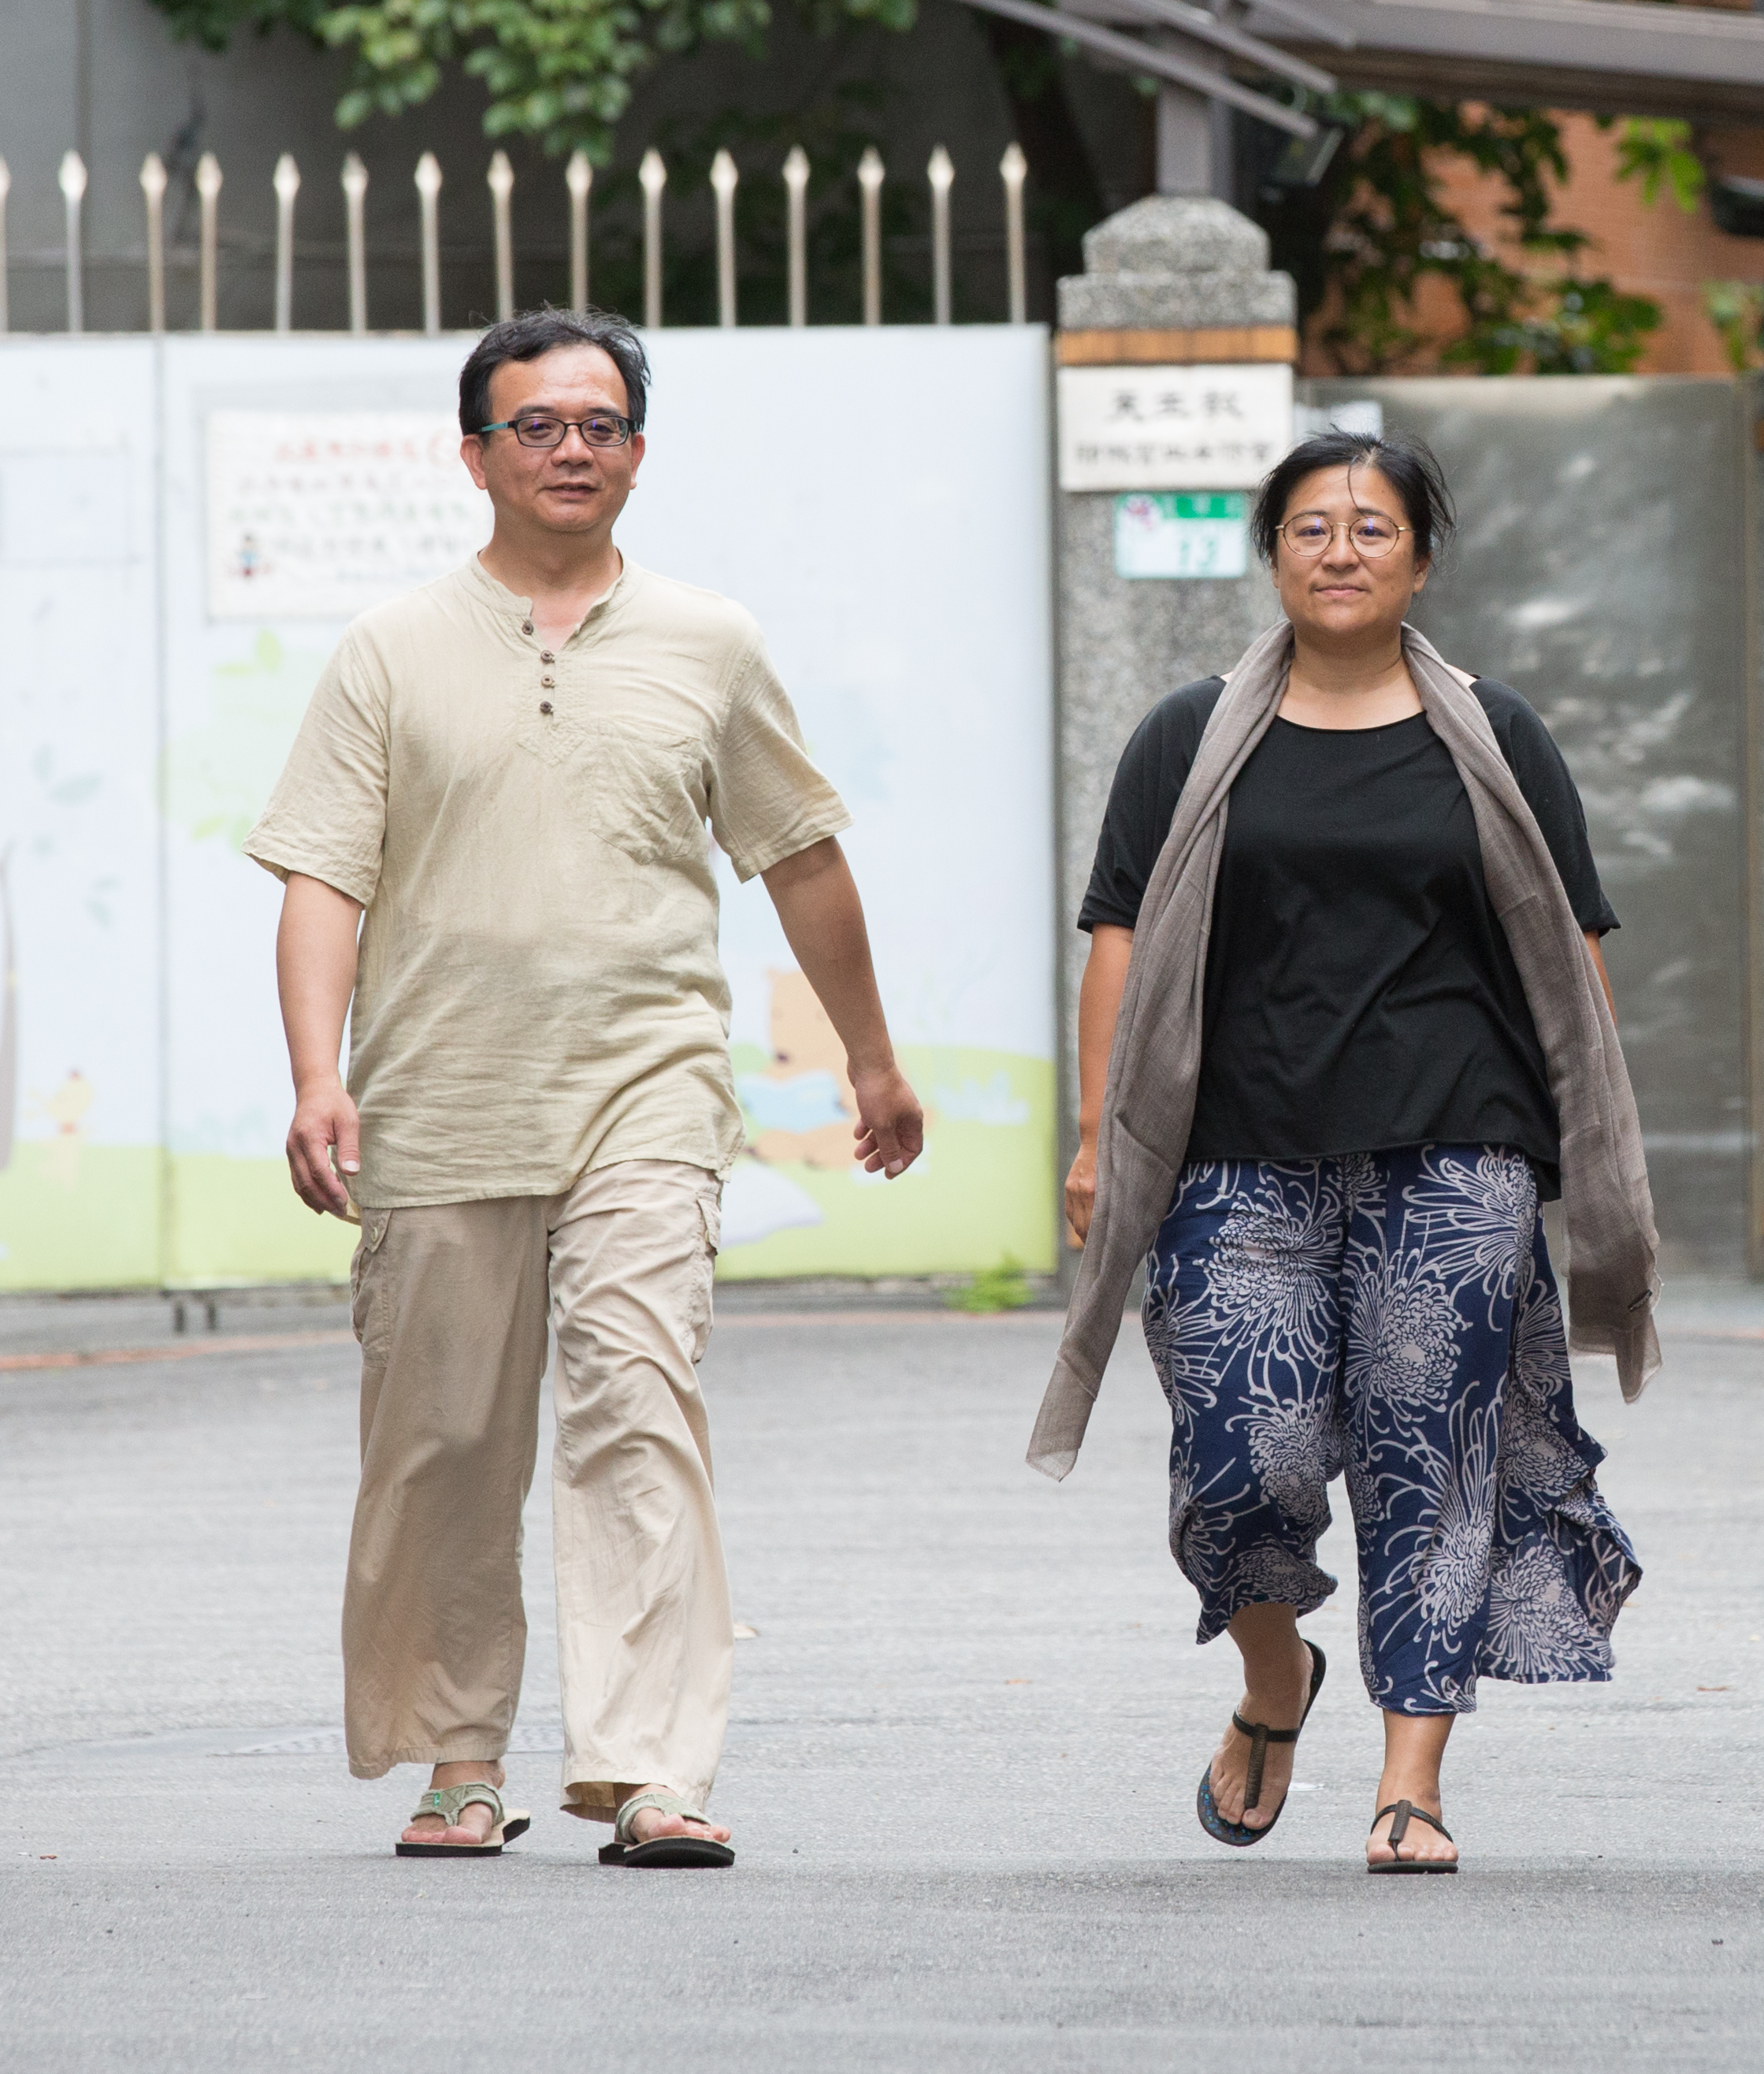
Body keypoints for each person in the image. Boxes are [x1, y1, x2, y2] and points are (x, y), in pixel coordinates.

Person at [248, 307, 925, 1868]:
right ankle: (458, 1752)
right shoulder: (389, 648)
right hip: (437, 1095)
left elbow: (800, 857)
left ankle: (650, 1761)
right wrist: (313, 1074)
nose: (572, 447)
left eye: (601, 423)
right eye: (538, 424)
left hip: (651, 1086)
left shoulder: (711, 640)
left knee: (637, 1394)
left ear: (638, 449)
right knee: (443, 1436)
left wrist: (871, 1058)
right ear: (476, 452)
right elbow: (322, 879)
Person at [1032, 429, 1654, 1876]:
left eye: (1374, 528)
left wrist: (1593, 1140)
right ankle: (1272, 1679)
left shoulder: (1495, 738)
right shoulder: (1189, 737)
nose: (1342, 549)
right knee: (1240, 1463)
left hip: (1458, 1147)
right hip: (1232, 1152)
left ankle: (1411, 1778)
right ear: (1275, 553)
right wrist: (1094, 1136)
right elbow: (1117, 935)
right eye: (1313, 526)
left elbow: (1572, 950)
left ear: (1421, 560)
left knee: (1425, 1462)